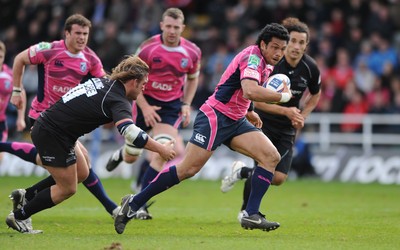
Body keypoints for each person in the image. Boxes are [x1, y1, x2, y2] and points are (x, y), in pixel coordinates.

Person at [113, 22, 292, 234]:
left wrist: (249, 110)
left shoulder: (266, 62)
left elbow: (239, 89)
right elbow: (250, 89)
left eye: (283, 48)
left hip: (235, 120)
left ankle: (251, 214)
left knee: (271, 156)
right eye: (275, 47)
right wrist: (282, 96)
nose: (279, 53)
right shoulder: (252, 57)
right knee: (187, 169)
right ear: (263, 44)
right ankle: (133, 203)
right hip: (215, 117)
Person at [5, 55, 176, 234]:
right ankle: (19, 216)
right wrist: (161, 149)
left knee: (83, 171)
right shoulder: (118, 99)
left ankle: (27, 194)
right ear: (133, 82)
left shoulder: (105, 82)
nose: (144, 88)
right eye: (143, 84)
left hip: (55, 129)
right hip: (53, 134)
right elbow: (131, 133)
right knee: (67, 188)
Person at [3, 14, 120, 230]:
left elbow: (104, 85)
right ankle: (21, 211)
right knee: (69, 181)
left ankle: (25, 195)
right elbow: (20, 58)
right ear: (66, 33)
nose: (82, 38)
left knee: (82, 172)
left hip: (64, 123)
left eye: (85, 34)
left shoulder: (91, 59)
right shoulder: (48, 49)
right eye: (77, 33)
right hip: (42, 118)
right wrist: (17, 90)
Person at [219, 17, 321, 220]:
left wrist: (303, 115)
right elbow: (257, 101)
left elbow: (316, 94)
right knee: (263, 165)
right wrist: (286, 111)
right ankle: (246, 211)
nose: (296, 47)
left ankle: (241, 172)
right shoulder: (273, 62)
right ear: (286, 42)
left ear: (306, 45)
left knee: (279, 178)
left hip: (287, 129)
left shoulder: (310, 67)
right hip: (263, 122)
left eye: (302, 43)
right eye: (293, 41)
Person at [104, 8, 201, 219]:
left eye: (176, 27)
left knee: (161, 152)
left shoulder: (192, 52)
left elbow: (193, 78)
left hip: (171, 107)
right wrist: (145, 106)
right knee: (132, 156)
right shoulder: (148, 48)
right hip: (144, 101)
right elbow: (130, 78)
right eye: (168, 26)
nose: (172, 31)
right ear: (161, 26)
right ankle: (123, 153)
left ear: (183, 28)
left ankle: (140, 204)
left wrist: (186, 103)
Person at [0, 40, 26, 161]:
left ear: (4, 57)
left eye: (0, 56)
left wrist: (20, 118)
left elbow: (21, 92)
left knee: (0, 158)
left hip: (1, 121)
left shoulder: (9, 75)